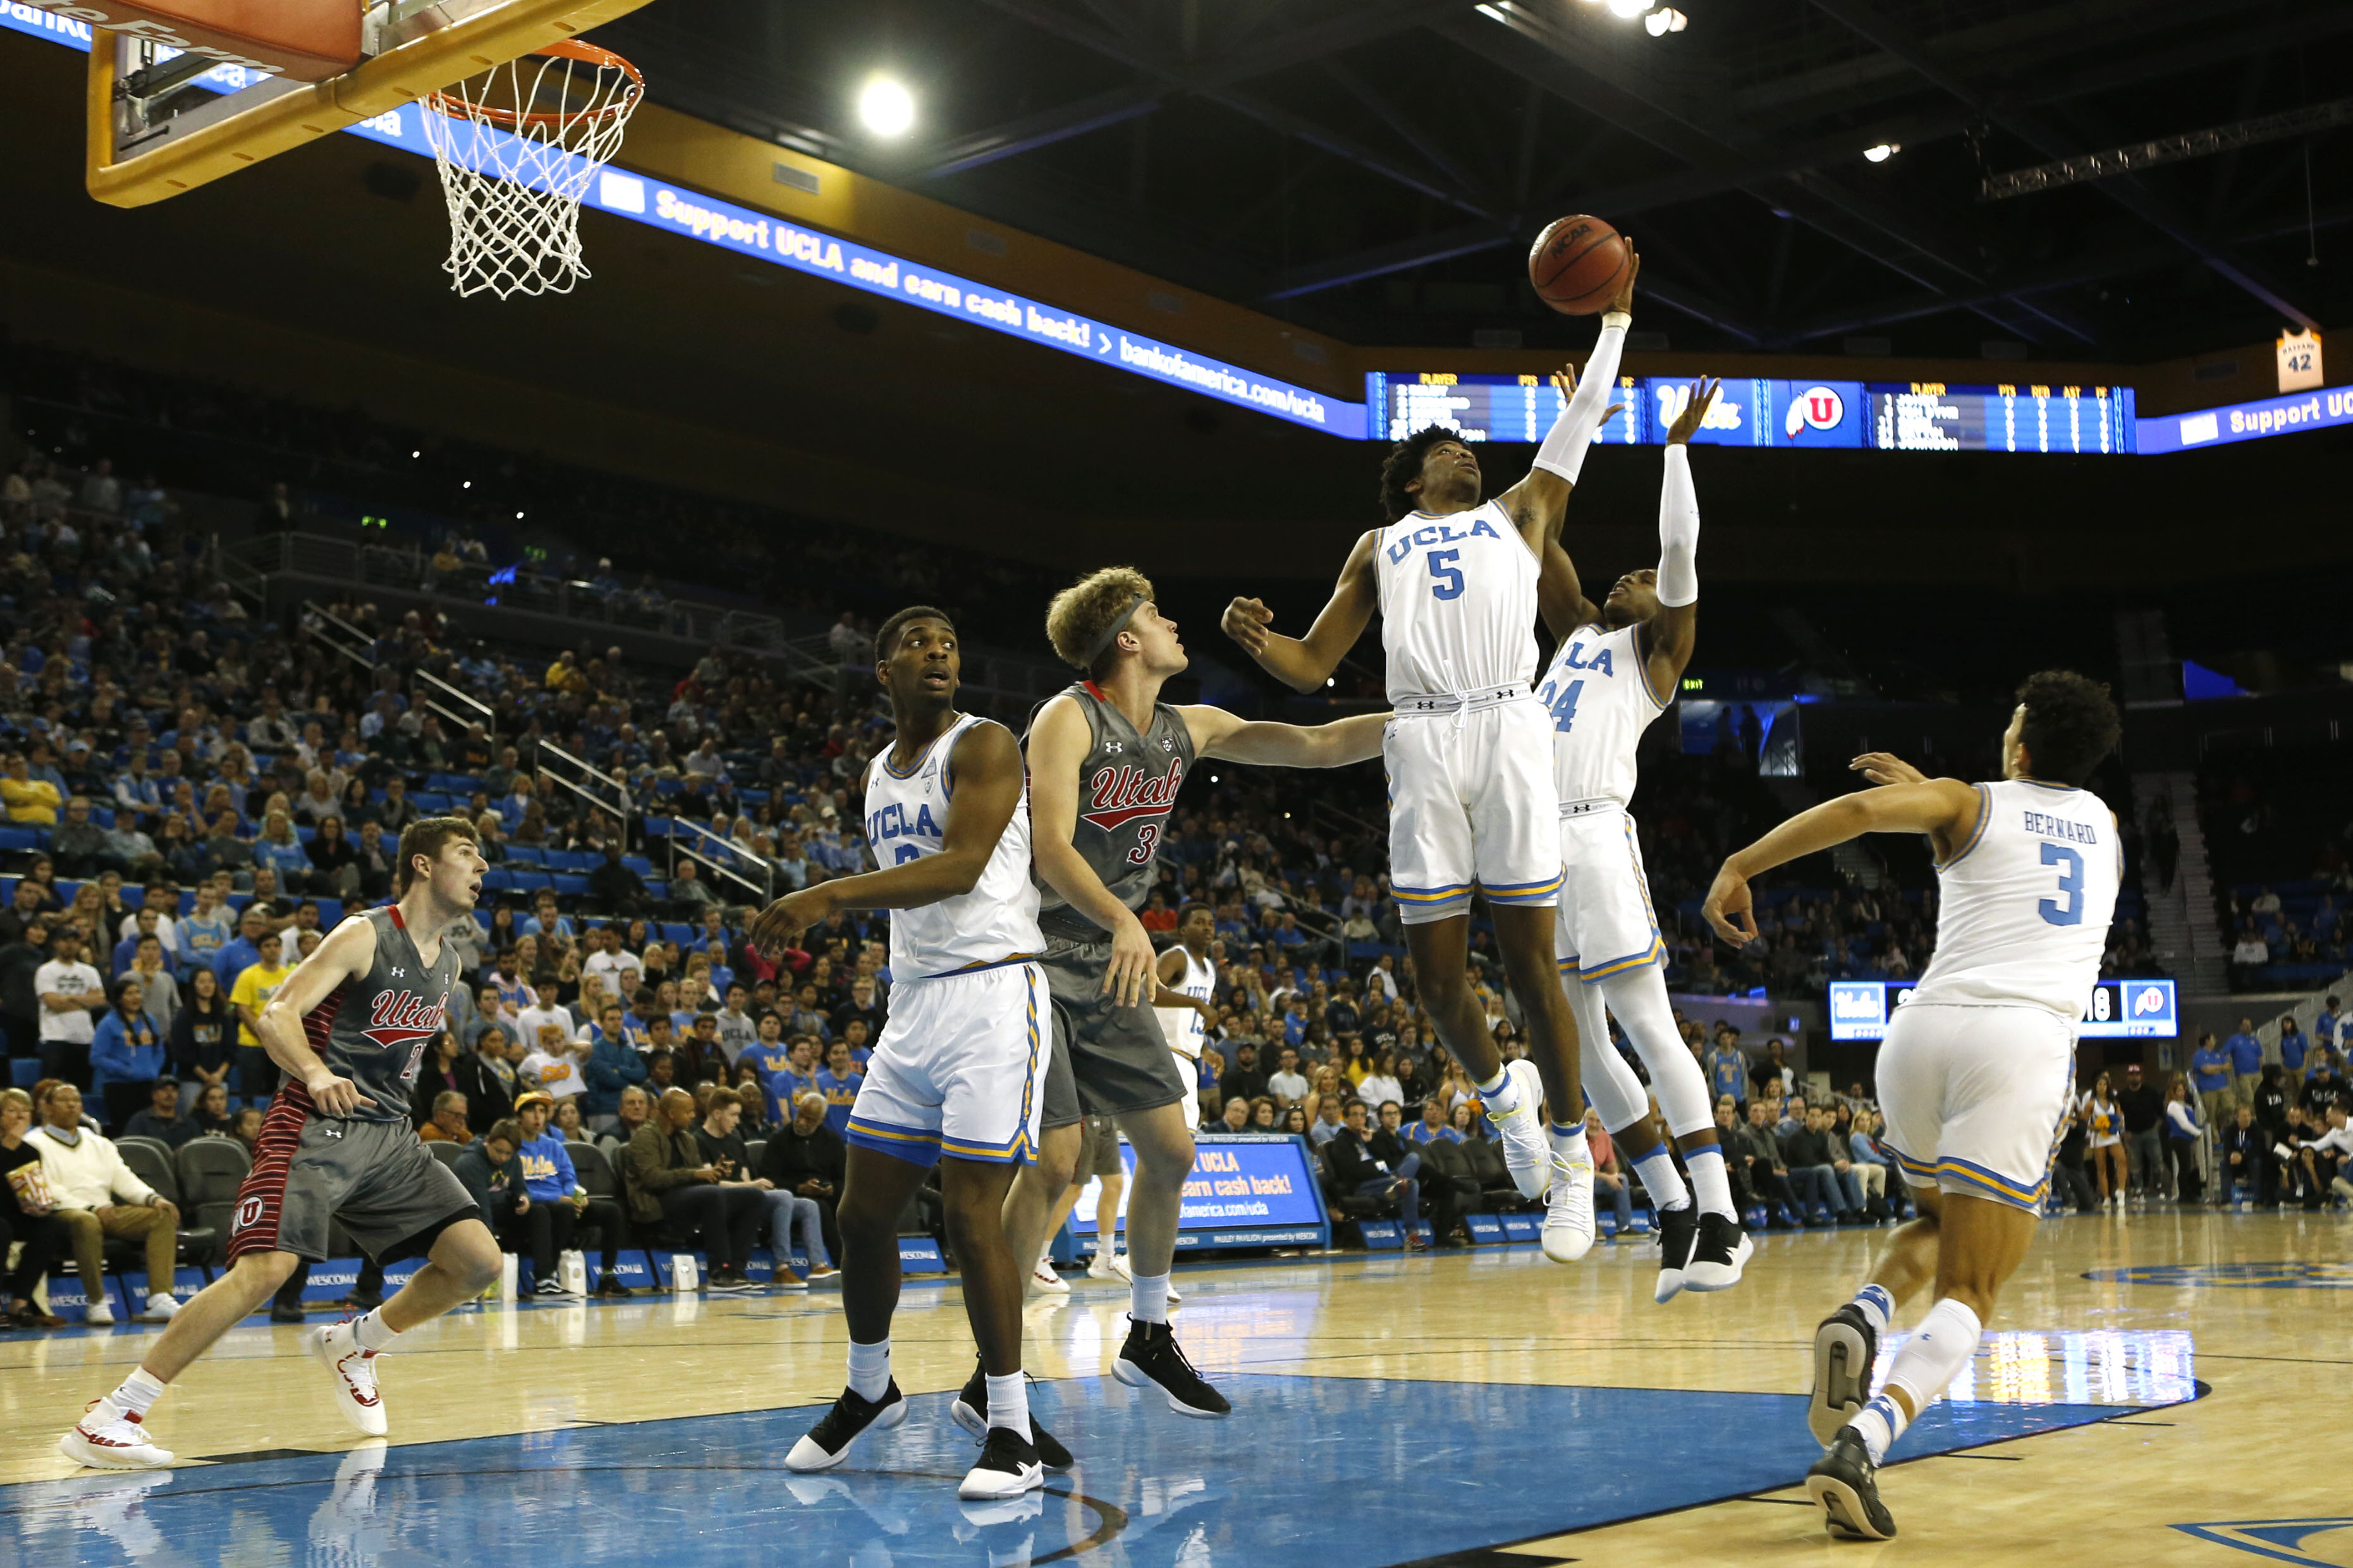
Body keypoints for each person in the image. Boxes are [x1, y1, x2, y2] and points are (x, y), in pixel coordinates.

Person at [1220, 274, 1646, 1267]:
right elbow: (1312, 665)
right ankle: (1506, 1096)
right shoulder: (1378, 544)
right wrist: (1255, 640)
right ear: (1413, 481)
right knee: (1436, 978)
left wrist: (1615, 316)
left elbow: (1581, 416)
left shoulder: (1525, 509)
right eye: (1440, 448)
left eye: (1466, 444)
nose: (1462, 446)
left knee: (1535, 965)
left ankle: (1572, 1162)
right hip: (1417, 737)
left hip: (1507, 727)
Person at [1702, 671, 2122, 1540]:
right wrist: (1935, 808)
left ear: (2019, 746)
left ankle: (1863, 1311)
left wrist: (1741, 864)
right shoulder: (2108, 827)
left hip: (1920, 1034)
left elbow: (1860, 819)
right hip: (2020, 1045)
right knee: (1972, 1283)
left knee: (1933, 1220)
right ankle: (1862, 1443)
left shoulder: (1965, 803)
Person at [1001, 568, 1388, 1427]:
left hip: (1112, 963)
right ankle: (991, 1370)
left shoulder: (1190, 727)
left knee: (1171, 1151)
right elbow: (1050, 848)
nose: (1175, 622)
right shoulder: (1067, 717)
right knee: (1058, 1163)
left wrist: (1433, 727)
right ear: (1126, 640)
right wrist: (1123, 919)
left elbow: (1317, 745)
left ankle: (1145, 1331)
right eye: (1155, 614)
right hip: (1035, 956)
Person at [54, 817, 502, 1469]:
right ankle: (111, 1415)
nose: (482, 867)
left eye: (484, 857)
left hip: (389, 1135)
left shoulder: (452, 964)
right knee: (266, 1270)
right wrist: (317, 1073)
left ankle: (356, 1343)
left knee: (478, 1262)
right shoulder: (364, 933)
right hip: (316, 1126)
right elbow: (276, 1014)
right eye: (467, 854)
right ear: (424, 866)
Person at [761, 607, 1067, 1500]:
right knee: (860, 1215)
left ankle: (1010, 1427)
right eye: (919, 644)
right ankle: (869, 1389)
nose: (939, 652)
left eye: (951, 643)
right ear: (883, 670)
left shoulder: (984, 745)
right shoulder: (876, 772)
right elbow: (912, 897)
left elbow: (964, 865)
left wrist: (825, 895)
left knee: (971, 1218)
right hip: (915, 1005)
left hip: (994, 996)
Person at [1531, 374, 1746, 1300]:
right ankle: (1669, 1211)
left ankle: (1723, 1215)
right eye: (1621, 575)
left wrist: (1673, 450)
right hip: (1534, 846)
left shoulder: (1656, 655)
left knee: (1647, 1025)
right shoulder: (1577, 633)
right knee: (1577, 1044)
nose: (1628, 577)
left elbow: (1678, 547)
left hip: (1595, 838)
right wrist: (1570, 422)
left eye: (1641, 579)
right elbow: (1536, 538)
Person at [28, 1081, 183, 1326]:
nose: (72, 1105)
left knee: (162, 1215)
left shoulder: (98, 1142)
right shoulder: (34, 1143)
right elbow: (48, 1189)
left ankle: (159, 1298)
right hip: (63, 1212)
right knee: (86, 1221)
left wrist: (152, 1197)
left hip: (105, 1210)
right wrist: (91, 1208)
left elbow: (123, 1177)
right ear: (44, 1107)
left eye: (76, 1100)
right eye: (64, 1100)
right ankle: (97, 1301)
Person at [620, 1088, 765, 1289]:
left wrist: (715, 1173)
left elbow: (697, 1175)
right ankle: (719, 1272)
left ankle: (736, 1270)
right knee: (712, 1194)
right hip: (657, 1202)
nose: (693, 1116)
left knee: (754, 1196)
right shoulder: (645, 1138)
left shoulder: (686, 1139)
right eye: (688, 1112)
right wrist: (695, 1174)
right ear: (672, 1114)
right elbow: (652, 1179)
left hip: (689, 1198)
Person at [697, 1085, 832, 1289]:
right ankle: (782, 1268)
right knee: (784, 1196)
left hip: (748, 1195)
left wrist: (754, 1187)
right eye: (733, 1115)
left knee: (809, 1206)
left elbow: (745, 1177)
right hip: (722, 1199)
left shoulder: (735, 1140)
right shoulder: (699, 1140)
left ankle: (819, 1266)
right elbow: (713, 1183)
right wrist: (753, 1186)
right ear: (717, 1114)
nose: (737, 1121)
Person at [510, 1091, 625, 1297]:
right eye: (531, 1112)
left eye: (542, 1111)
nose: (538, 1117)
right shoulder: (512, 1147)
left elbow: (568, 1178)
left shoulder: (553, 1146)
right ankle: (546, 1277)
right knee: (562, 1209)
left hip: (564, 1202)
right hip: (532, 1205)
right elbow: (515, 1186)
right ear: (518, 1116)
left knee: (612, 1212)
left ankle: (607, 1275)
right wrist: (558, 1199)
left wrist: (576, 1197)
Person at [1, 1087, 71, 1327]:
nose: (21, 1117)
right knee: (2, 1230)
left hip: (14, 1214)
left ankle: (20, 1302)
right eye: (12, 1111)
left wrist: (39, 1206)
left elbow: (30, 1192)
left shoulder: (30, 1152)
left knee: (49, 1226)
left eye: (25, 1111)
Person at [1152, 902, 1221, 1136]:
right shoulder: (1176, 958)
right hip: (1164, 1054)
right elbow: (1148, 993)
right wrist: (1198, 1003)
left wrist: (1205, 1050)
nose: (1207, 929)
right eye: (1199, 923)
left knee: (1181, 1139)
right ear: (1183, 930)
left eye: (1211, 924)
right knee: (1178, 1138)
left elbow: (1189, 1018)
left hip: (1185, 1057)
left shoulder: (1210, 969)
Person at [761, 1088, 846, 1262]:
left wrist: (832, 1189)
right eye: (800, 1115)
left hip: (830, 1197)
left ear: (821, 1121)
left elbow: (844, 1177)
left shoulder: (832, 1141)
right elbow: (768, 1179)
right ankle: (841, 1263)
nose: (801, 1122)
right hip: (793, 1196)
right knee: (820, 1206)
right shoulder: (779, 1140)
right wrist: (800, 1187)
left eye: (809, 1120)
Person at [1327, 1098, 1425, 1249]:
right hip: (1361, 1186)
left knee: (1413, 1162)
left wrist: (1371, 1142)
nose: (1359, 1119)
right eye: (1354, 1115)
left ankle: (1411, 1233)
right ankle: (1411, 1231)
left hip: (1381, 1181)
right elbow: (1354, 1171)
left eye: (1362, 1115)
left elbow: (1387, 1159)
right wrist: (1386, 1177)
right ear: (1345, 1118)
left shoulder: (1365, 1138)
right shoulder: (1343, 1141)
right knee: (1411, 1184)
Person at [227, 930, 296, 1107]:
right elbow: (242, 1010)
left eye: (276, 945)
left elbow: (293, 1008)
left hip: (281, 1044)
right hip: (252, 1044)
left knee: (279, 1093)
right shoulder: (248, 975)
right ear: (259, 951)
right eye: (267, 946)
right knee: (250, 1092)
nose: (273, 949)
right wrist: (264, 1035)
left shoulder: (289, 976)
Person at [34, 927, 107, 1090]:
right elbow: (54, 1004)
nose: (70, 945)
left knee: (82, 1091)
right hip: (55, 1038)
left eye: (74, 941)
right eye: (65, 940)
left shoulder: (89, 971)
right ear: (56, 944)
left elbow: (100, 1000)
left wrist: (71, 997)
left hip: (84, 1038)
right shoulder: (46, 971)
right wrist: (85, 1000)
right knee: (49, 1090)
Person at [90, 977, 166, 1131]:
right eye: (130, 994)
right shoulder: (108, 1024)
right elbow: (97, 1058)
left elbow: (159, 1050)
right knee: (125, 1131)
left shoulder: (149, 1020)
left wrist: (153, 1069)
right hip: (120, 1088)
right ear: (119, 999)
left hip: (148, 1085)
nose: (136, 997)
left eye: (138, 993)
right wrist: (126, 1070)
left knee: (149, 1131)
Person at [2113, 1062, 2165, 1201]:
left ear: (2141, 1076)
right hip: (2132, 1134)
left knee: (2157, 1161)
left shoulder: (2151, 1092)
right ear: (2127, 1077)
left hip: (2150, 1132)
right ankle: (2138, 1189)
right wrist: (2124, 1132)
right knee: (2135, 1164)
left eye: (2137, 1074)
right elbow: (2118, 1116)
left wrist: (2156, 1128)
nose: (2134, 1077)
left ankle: (2159, 1186)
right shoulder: (2122, 1095)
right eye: (2131, 1075)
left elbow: (2161, 1113)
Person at [2081, 1071, 2127, 1209]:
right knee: (2102, 1168)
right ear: (2095, 1087)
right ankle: (2106, 1197)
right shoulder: (2091, 1104)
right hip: (2099, 1137)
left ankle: (2121, 1192)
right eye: (2099, 1084)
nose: (2102, 1087)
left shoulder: (2114, 1102)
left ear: (2108, 1087)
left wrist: (2115, 1126)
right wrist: (2097, 1127)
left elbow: (2120, 1120)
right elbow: (2084, 1123)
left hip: (2113, 1136)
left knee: (2122, 1160)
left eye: (2105, 1084)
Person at [123, 1079, 199, 1150]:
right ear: (154, 1095)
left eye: (174, 1090)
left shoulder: (189, 1123)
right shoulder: (139, 1120)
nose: (169, 1094)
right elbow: (129, 1148)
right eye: (164, 1090)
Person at [2161, 1077, 2203, 1204]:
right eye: (2178, 1090)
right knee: (2184, 1167)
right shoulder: (2173, 1106)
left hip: (2187, 1139)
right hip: (2179, 1139)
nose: (2182, 1092)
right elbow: (2184, 1124)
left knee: (2188, 1166)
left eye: (2183, 1090)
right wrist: (2198, 1133)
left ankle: (2191, 1192)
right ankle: (2184, 1194)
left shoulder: (2184, 1105)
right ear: (2173, 1092)